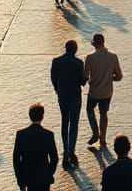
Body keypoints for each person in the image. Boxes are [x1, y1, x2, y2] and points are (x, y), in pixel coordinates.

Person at [50, 40, 86, 170]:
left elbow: (53, 79)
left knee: (64, 122)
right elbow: (83, 82)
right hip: (75, 96)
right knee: (74, 123)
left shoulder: (56, 62)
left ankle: (65, 151)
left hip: (62, 96)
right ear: (75, 50)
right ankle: (72, 150)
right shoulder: (78, 63)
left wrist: (58, 90)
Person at [84, 33, 123, 150]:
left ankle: (95, 131)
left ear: (94, 44)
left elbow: (85, 76)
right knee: (103, 113)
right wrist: (110, 78)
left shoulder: (90, 58)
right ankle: (103, 139)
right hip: (107, 91)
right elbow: (119, 76)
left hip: (94, 91)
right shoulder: (113, 57)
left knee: (89, 110)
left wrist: (91, 79)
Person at [12, 102, 59, 190]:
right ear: (42, 117)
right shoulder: (48, 135)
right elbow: (54, 158)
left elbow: (16, 159)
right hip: (43, 177)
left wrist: (20, 179)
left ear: (30, 116)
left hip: (28, 177)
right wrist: (48, 174)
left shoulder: (21, 135)